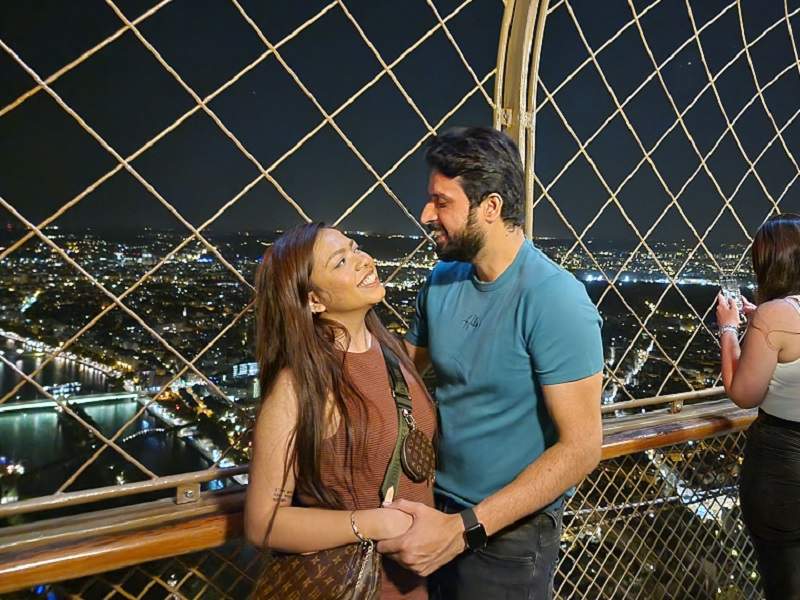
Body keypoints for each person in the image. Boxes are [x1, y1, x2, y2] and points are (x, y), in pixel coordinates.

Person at [377, 127, 604, 599]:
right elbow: (400, 380)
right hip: (432, 507)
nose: (425, 215)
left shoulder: (555, 300)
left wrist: (465, 529)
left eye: (441, 202)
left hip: (508, 533)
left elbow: (581, 448)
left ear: (492, 208)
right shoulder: (442, 278)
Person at [244, 223, 437, 599]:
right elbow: (262, 521)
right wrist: (374, 523)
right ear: (314, 300)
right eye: (342, 261)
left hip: (414, 585)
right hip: (352, 587)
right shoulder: (298, 384)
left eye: (356, 247)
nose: (364, 260)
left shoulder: (394, 354)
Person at [717, 213, 800, 599]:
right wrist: (760, 321)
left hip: (783, 465)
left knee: (784, 579)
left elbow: (742, 393)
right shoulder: (780, 316)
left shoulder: (775, 316)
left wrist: (730, 329)